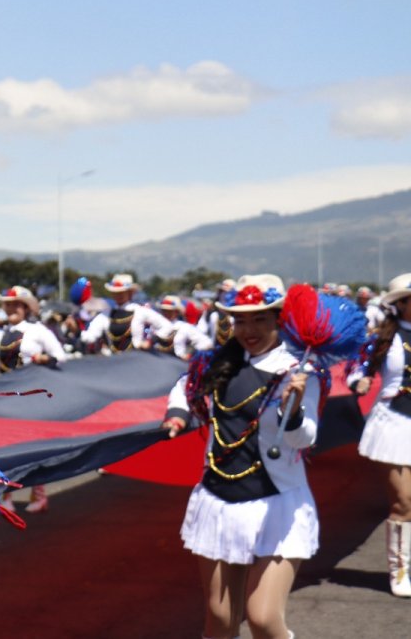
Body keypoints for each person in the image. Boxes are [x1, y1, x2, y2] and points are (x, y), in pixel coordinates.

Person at [160, 274, 320, 639]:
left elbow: (305, 438)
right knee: (219, 619)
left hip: (277, 505)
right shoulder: (220, 361)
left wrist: (293, 411)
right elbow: (184, 386)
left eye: (260, 319)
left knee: (262, 618)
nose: (249, 329)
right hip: (218, 501)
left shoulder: (297, 372)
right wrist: (177, 415)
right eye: (241, 320)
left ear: (279, 319)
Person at [348, 272, 411, 597]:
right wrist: (358, 381)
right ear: (402, 304)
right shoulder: (385, 338)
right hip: (394, 422)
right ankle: (400, 571)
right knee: (403, 501)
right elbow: (356, 367)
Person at [0, 286, 65, 514]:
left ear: (26, 308)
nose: (11, 309)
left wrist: (43, 359)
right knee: (4, 445)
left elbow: (60, 356)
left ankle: (39, 494)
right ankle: (6, 495)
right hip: (4, 396)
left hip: (30, 396)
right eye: (7, 305)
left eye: (16, 305)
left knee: (32, 445)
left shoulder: (37, 330)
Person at [79, 274, 174, 353]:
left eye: (122, 292)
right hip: (115, 361)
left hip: (137, 360)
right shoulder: (106, 314)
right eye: (115, 292)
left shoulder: (140, 311)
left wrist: (150, 341)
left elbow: (167, 326)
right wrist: (80, 332)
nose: (118, 295)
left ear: (130, 293)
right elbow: (91, 335)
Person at [156, 295, 214, 360]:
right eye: (164, 310)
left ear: (176, 312)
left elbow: (207, 343)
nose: (166, 313)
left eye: (170, 311)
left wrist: (189, 354)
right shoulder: (157, 322)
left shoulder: (183, 326)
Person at [198, 279, 237, 348]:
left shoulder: (238, 313)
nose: (223, 295)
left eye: (226, 293)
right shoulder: (211, 312)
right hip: (215, 349)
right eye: (221, 292)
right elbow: (200, 330)